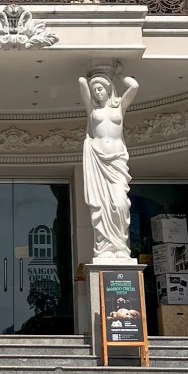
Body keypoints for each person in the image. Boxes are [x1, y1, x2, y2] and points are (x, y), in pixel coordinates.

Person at [79, 73, 139, 259]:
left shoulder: (119, 106)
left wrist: (119, 74)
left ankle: (120, 246)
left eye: (100, 88)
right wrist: (89, 79)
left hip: (117, 161)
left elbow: (135, 86)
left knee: (120, 203)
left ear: (109, 89)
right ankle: (105, 247)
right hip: (98, 158)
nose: (97, 92)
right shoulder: (92, 110)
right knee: (102, 206)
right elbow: (81, 82)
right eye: (94, 89)